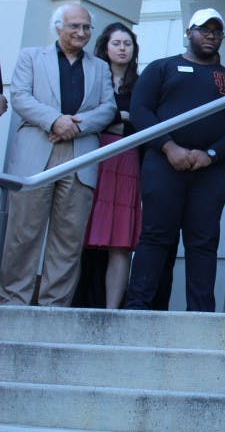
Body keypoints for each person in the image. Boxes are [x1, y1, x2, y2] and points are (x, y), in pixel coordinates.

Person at [124, 7, 225, 312]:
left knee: (203, 241)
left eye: (217, 31)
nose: (211, 36)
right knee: (156, 235)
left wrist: (212, 155)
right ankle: (137, 307)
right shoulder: (162, 68)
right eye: (204, 29)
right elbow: (140, 110)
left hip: (210, 170)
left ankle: (201, 314)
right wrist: (169, 147)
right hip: (163, 163)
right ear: (188, 32)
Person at [0, 4, 117, 306]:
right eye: (74, 26)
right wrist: (55, 121)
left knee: (69, 238)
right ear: (58, 27)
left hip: (80, 156)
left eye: (86, 27)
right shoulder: (30, 56)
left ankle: (54, 308)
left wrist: (76, 127)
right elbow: (20, 96)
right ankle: (13, 303)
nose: (81, 32)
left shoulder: (100, 67)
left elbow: (108, 108)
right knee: (23, 234)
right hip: (35, 153)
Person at [74, 23, 143, 309]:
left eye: (128, 44)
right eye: (117, 43)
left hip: (127, 159)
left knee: (120, 239)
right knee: (79, 232)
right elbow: (82, 116)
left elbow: (141, 121)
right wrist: (120, 116)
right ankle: (74, 301)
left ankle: (112, 310)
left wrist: (117, 119)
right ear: (105, 46)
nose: (123, 48)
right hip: (94, 154)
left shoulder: (141, 84)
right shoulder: (90, 76)